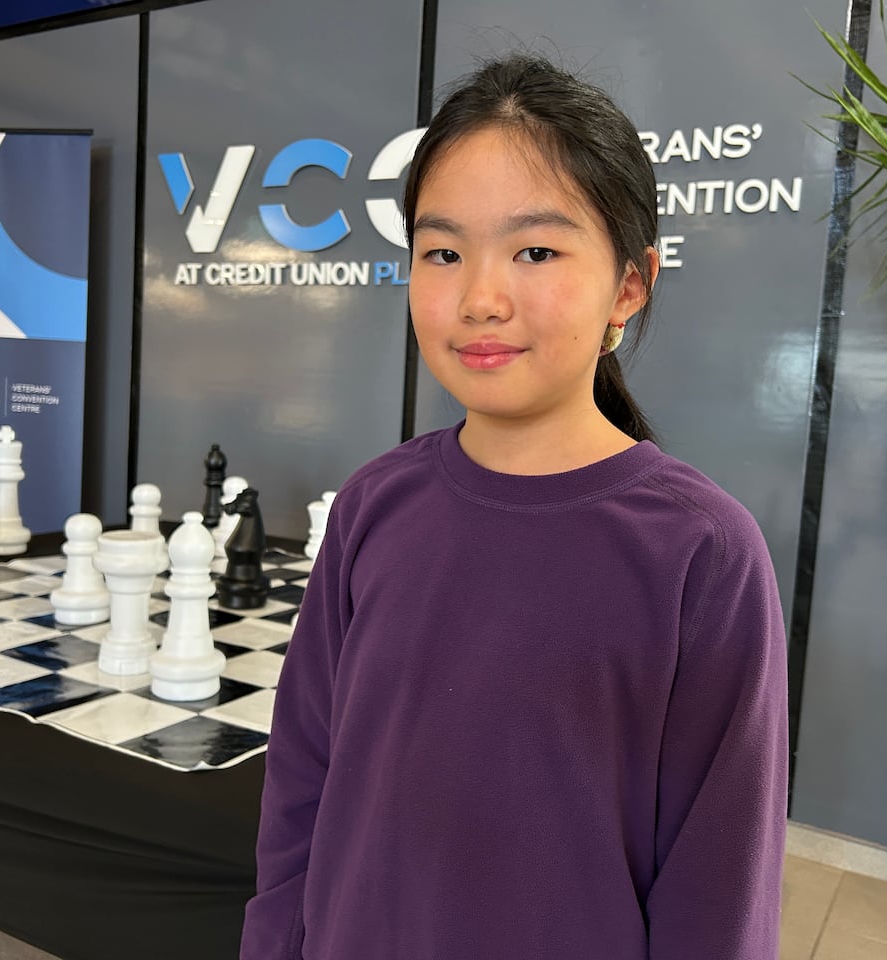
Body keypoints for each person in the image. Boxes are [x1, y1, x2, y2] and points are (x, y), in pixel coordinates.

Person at [241, 53, 788, 960]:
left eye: (535, 251)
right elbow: (302, 777)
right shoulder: (374, 505)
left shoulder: (702, 553)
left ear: (629, 285)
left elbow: (719, 890)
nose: (480, 298)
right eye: (442, 252)